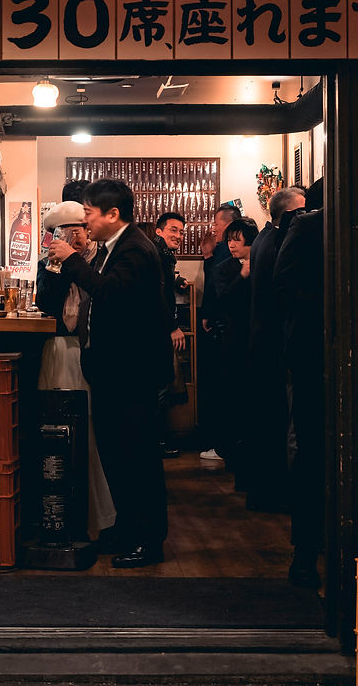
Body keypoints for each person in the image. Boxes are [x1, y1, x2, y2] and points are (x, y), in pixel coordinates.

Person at [48, 179, 173, 568]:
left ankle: (148, 540)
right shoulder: (111, 247)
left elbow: (110, 293)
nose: (85, 221)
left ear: (112, 214)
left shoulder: (135, 249)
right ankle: (127, 527)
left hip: (131, 373)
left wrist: (72, 259)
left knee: (138, 458)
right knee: (117, 456)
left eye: (89, 213)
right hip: (111, 372)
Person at [35, 200, 116, 540]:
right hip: (59, 349)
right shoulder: (49, 265)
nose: (74, 238)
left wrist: (75, 262)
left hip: (94, 352)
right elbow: (45, 303)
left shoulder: (102, 262)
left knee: (96, 429)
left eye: (79, 230)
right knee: (57, 430)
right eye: (65, 232)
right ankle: (61, 514)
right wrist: (57, 266)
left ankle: (104, 516)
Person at [274, 178, 325, 588]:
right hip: (311, 355)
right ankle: (306, 553)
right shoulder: (307, 227)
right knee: (310, 453)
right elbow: (284, 284)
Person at [247, 188, 305, 504]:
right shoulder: (275, 241)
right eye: (302, 210)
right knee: (274, 421)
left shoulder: (266, 237)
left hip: (263, 339)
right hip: (272, 342)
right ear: (288, 214)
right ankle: (275, 494)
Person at [198, 204, 242, 462]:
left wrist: (207, 313)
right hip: (225, 325)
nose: (213, 228)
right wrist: (207, 257)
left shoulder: (227, 249)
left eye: (216, 223)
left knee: (222, 388)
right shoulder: (221, 250)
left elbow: (216, 289)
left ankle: (224, 446)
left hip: (225, 328)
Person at [152, 212, 188, 458]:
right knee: (159, 388)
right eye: (173, 230)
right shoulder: (158, 254)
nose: (179, 235)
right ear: (159, 231)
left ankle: (157, 441)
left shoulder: (162, 254)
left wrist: (176, 280)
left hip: (156, 329)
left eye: (181, 232)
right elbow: (157, 295)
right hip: (157, 331)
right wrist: (173, 327)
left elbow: (164, 284)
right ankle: (157, 443)